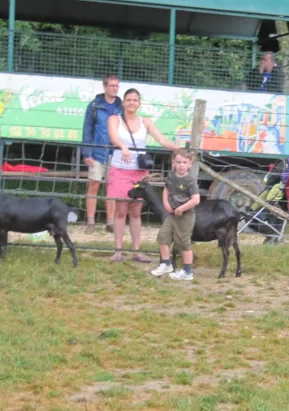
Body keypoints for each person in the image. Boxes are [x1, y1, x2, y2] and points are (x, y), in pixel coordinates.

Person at [107, 88, 178, 263]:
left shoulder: (145, 122)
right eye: (129, 100)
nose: (132, 103)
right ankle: (118, 250)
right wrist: (123, 147)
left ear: (139, 103)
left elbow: (161, 140)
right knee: (121, 210)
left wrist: (178, 149)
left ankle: (136, 251)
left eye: (135, 100)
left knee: (136, 211)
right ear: (123, 102)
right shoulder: (114, 119)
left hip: (139, 172)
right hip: (120, 169)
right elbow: (113, 137)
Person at [150, 149, 201, 281]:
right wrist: (166, 203)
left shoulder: (190, 181)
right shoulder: (171, 175)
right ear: (173, 163)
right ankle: (165, 264)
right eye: (178, 162)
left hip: (185, 216)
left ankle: (187, 271)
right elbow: (166, 189)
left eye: (185, 162)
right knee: (162, 237)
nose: (181, 165)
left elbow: (196, 199)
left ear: (190, 164)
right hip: (172, 214)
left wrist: (181, 208)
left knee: (183, 243)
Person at [82, 74, 122, 232]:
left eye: (117, 85)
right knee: (94, 184)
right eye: (112, 85)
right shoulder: (94, 106)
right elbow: (87, 130)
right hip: (97, 152)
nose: (115, 88)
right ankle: (90, 221)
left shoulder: (122, 106)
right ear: (104, 87)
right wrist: (87, 153)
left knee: (111, 188)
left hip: (115, 153)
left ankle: (110, 223)